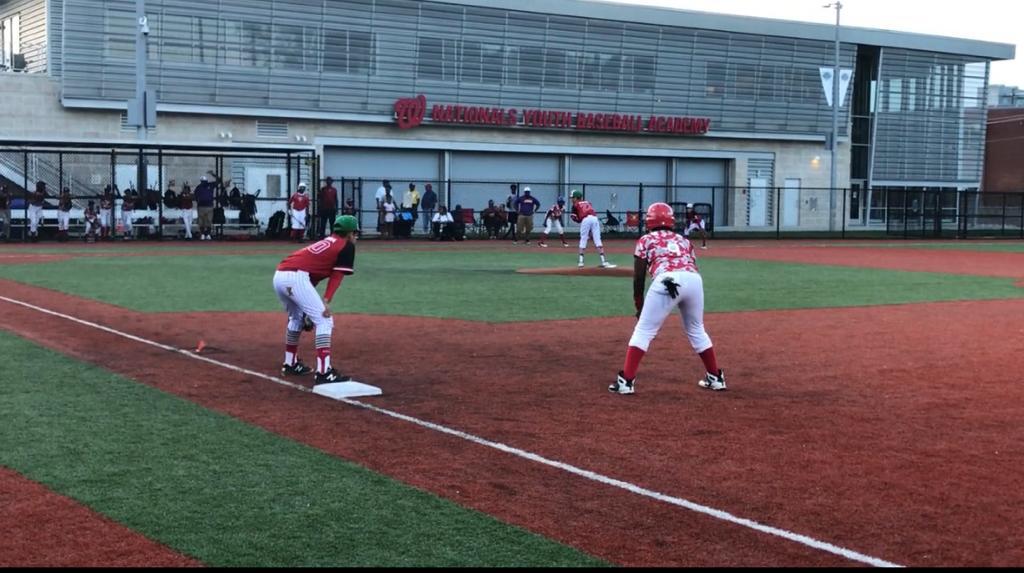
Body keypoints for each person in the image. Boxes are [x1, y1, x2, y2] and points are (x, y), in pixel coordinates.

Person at [610, 203, 726, 396]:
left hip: (667, 280)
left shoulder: (646, 239)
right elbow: (691, 263)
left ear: (649, 220)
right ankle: (715, 377)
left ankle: (626, 381)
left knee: (644, 330)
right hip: (694, 280)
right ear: (671, 220)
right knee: (697, 329)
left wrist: (639, 305)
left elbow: (639, 277)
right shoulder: (683, 240)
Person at [273, 214, 360, 386]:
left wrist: (306, 309)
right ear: (349, 233)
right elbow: (337, 276)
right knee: (324, 321)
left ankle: (290, 363)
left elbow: (311, 277)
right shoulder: (346, 246)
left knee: (296, 319)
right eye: (355, 232)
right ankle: (324, 372)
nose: (356, 236)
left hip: (280, 275)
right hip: (297, 277)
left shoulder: (329, 241)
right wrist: (326, 301)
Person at [570, 189, 615, 269]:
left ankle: (581, 262)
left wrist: (578, 219)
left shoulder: (575, 205)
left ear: (576, 198)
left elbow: (575, 217)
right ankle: (603, 261)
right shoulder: (588, 202)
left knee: (583, 239)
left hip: (586, 219)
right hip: (594, 218)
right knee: (598, 240)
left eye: (573, 197)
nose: (571, 199)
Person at [194, 175, 216, 241]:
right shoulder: (199, 187)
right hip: (202, 206)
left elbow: (219, 181)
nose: (204, 182)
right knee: (202, 221)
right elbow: (196, 196)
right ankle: (203, 234)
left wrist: (213, 174)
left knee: (208, 221)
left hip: (208, 206)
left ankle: (207, 234)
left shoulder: (210, 185)